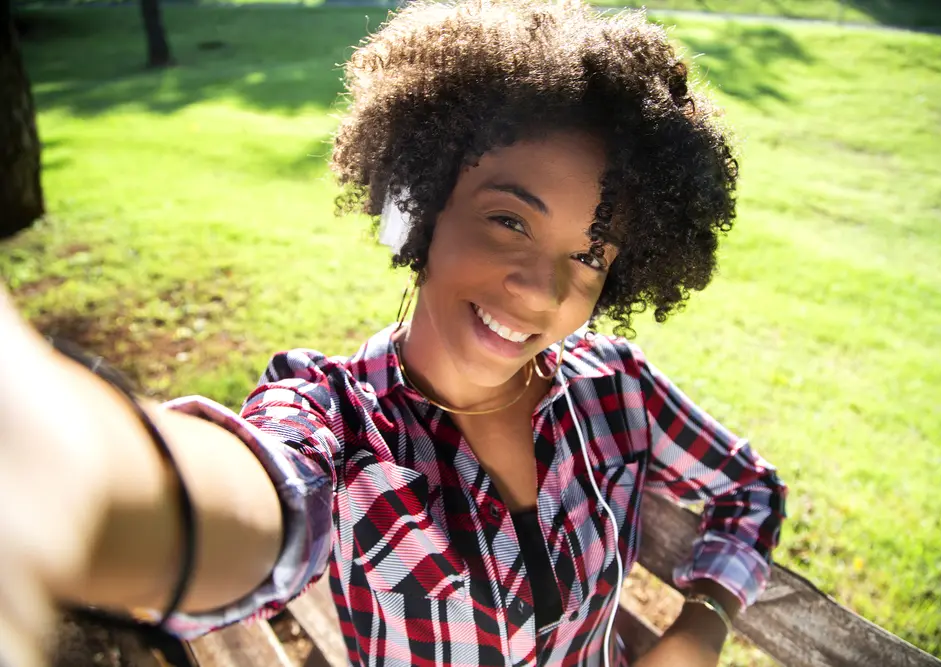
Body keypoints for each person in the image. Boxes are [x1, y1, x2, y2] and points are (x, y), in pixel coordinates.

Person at [0, 1, 786, 666]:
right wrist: (80, 471)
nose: (540, 289)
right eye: (508, 219)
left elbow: (750, 490)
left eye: (587, 256)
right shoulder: (340, 424)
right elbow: (257, 494)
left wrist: (698, 627)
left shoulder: (616, 388)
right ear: (418, 204)